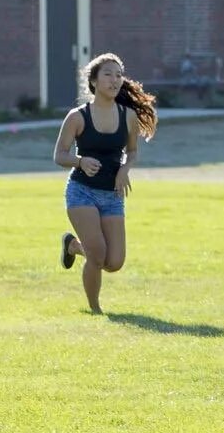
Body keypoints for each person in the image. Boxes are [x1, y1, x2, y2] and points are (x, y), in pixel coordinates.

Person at [54, 53, 158, 314]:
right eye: (108, 74)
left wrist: (125, 168)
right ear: (94, 81)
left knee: (114, 262)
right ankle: (95, 310)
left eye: (119, 75)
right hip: (81, 192)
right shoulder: (77, 117)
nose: (114, 80)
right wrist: (80, 162)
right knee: (97, 254)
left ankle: (73, 246)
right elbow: (59, 155)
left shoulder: (128, 116)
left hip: (112, 194)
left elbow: (132, 151)